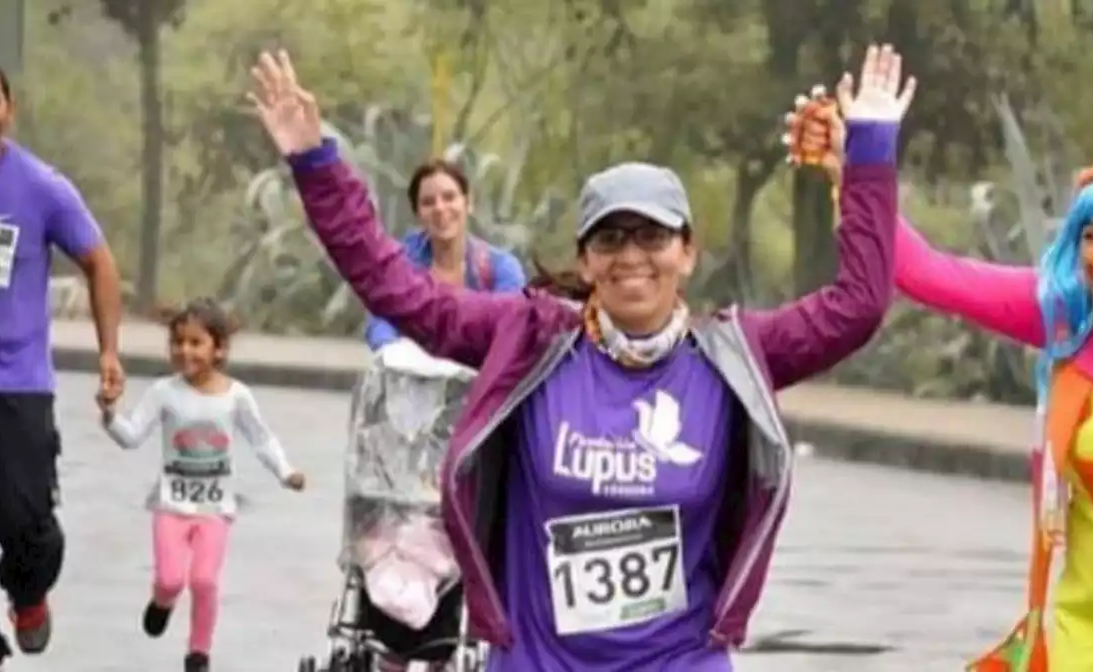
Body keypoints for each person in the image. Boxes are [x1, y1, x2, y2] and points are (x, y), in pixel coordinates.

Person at [248, 43, 912, 671]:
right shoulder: (530, 341)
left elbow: (858, 306)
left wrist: (873, 152)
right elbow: (398, 290)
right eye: (611, 236)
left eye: (652, 234)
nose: (631, 255)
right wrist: (315, 162)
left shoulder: (733, 357)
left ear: (687, 251)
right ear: (586, 257)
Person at [787, 88, 1093, 670]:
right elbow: (926, 272)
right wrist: (862, 167)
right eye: (1092, 235)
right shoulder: (1067, 315)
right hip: (1086, 631)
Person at [0, 56, 124, 671]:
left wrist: (109, 352)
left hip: (19, 384)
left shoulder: (43, 188)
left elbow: (100, 262)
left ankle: (30, 590)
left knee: (27, 521)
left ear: (8, 110)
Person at [97, 298, 307, 672]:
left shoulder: (236, 396)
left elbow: (261, 439)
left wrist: (286, 472)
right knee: (170, 579)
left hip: (215, 510)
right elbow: (130, 437)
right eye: (177, 342)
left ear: (219, 349)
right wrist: (109, 413)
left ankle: (198, 653)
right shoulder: (164, 392)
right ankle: (161, 602)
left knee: (205, 581)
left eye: (195, 343)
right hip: (171, 507)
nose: (184, 351)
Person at [364, 159, 526, 352]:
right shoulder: (400, 263)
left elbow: (512, 328)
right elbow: (381, 320)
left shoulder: (501, 268)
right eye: (428, 202)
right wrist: (394, 351)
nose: (440, 208)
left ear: (468, 203)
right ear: (417, 213)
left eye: (449, 197)